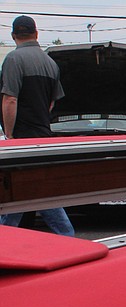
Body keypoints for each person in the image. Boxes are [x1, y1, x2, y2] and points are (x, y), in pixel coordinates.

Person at [0, 15, 74, 236]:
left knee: (20, 194)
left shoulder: (13, 60)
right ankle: (67, 237)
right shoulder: (50, 64)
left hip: (22, 139)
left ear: (14, 35)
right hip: (43, 136)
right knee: (35, 193)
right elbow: (51, 102)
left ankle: (66, 235)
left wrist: (10, 135)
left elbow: (10, 99)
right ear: (36, 34)